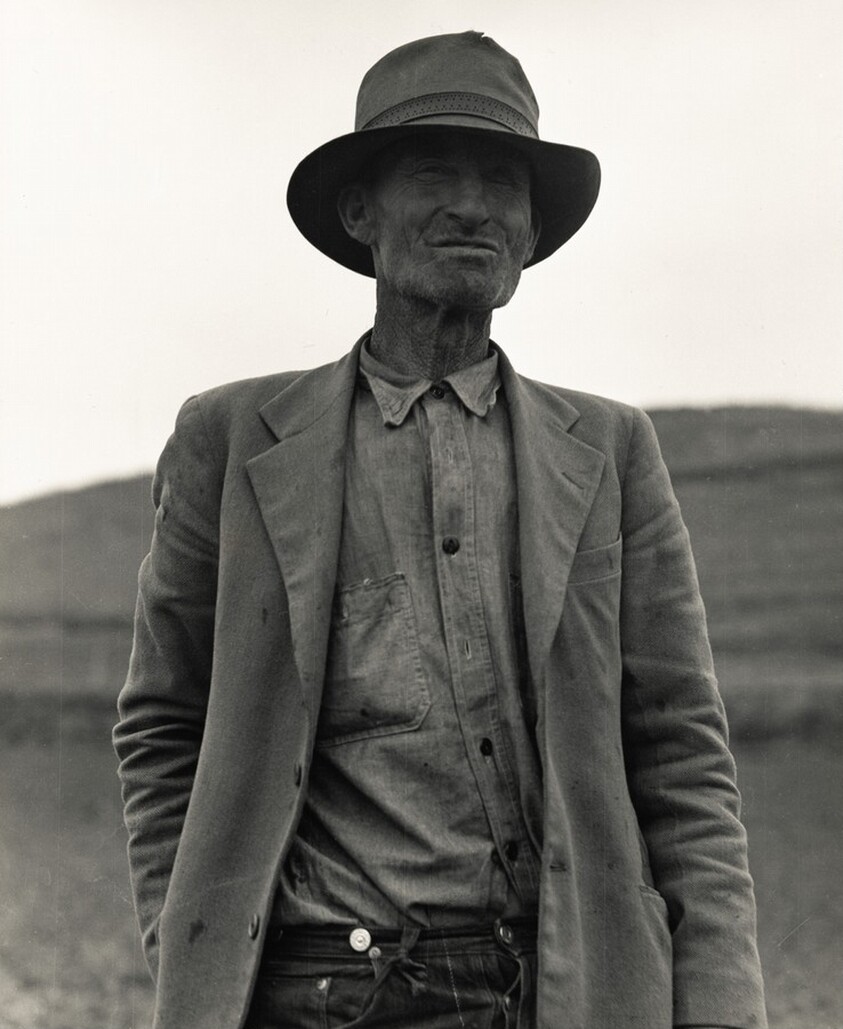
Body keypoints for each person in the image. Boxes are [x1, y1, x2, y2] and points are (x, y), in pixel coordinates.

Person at [114, 30, 767, 1029]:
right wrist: (190, 943)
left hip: (558, 990)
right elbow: (162, 724)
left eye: (504, 183)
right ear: (360, 212)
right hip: (311, 991)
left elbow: (681, 754)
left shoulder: (611, 450)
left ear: (532, 230)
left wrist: (720, 1003)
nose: (474, 207)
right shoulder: (231, 440)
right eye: (434, 173)